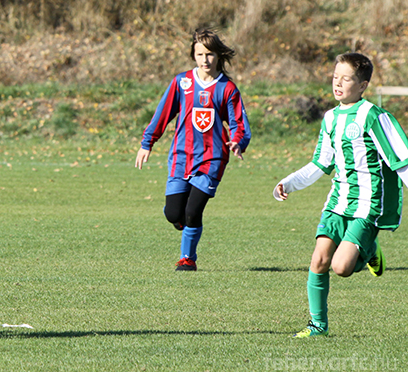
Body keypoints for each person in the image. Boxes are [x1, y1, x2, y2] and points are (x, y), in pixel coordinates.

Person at [273, 52, 408, 337]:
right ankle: (317, 326)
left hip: (367, 205)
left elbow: (401, 159)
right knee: (319, 260)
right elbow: (320, 163)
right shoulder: (330, 118)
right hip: (337, 202)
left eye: (346, 79)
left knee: (341, 267)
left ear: (362, 85)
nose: (338, 83)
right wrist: (289, 182)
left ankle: (370, 250)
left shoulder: (373, 116)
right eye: (336, 77)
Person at [135, 28, 251, 271]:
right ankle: (183, 221)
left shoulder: (227, 88)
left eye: (209, 54)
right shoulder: (182, 82)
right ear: (193, 55)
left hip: (212, 158)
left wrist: (238, 141)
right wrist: (148, 142)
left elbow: (238, 122)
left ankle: (187, 258)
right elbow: (163, 113)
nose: (205, 60)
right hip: (181, 156)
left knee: (193, 211)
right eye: (199, 54)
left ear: (218, 56)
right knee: (173, 213)